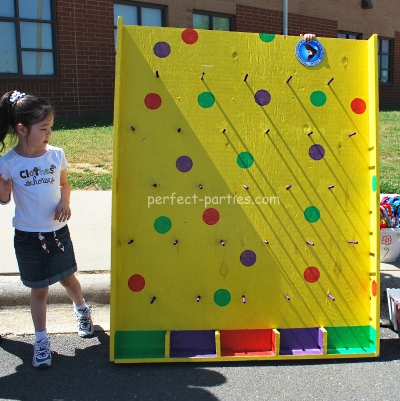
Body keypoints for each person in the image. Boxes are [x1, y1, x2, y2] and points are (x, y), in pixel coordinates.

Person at [0, 90, 94, 369]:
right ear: (22, 129)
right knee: (39, 290)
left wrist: (65, 203)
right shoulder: (8, 162)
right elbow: (4, 198)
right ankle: (41, 341)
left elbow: (65, 184)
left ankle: (82, 309)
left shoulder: (55, 155)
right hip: (28, 237)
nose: (49, 133)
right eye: (43, 129)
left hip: (57, 232)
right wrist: (4, 191)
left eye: (50, 127)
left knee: (68, 280)